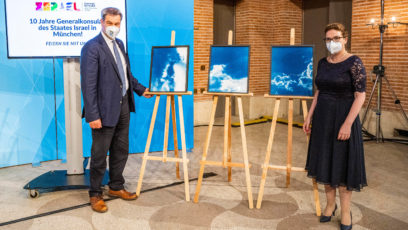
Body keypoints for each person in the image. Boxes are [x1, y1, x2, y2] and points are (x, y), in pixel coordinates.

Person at [80, 7, 152, 213]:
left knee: (121, 150)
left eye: (117, 23)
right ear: (101, 22)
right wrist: (92, 115)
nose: (114, 27)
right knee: (99, 154)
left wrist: (140, 90)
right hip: (102, 111)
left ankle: (116, 187)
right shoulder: (92, 47)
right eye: (110, 23)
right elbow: (88, 84)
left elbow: (126, 75)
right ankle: (95, 194)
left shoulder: (119, 44)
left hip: (123, 106)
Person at [303, 23, 367, 230]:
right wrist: (308, 116)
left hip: (343, 118)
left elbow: (360, 96)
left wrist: (347, 124)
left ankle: (345, 210)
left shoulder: (354, 62)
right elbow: (319, 92)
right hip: (322, 119)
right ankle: (330, 205)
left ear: (345, 39)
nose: (332, 42)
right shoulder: (323, 62)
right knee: (324, 162)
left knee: (341, 165)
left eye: (336, 38)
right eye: (328, 39)